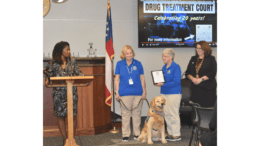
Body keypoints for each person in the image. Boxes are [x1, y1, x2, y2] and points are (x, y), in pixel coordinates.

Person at [44, 41, 85, 145]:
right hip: (59, 94)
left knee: (73, 115)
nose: (69, 51)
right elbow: (47, 74)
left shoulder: (72, 61)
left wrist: (83, 76)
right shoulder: (53, 63)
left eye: (69, 49)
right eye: (67, 49)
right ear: (60, 51)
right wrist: (47, 80)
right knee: (60, 116)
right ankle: (65, 138)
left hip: (72, 93)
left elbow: (78, 73)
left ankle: (72, 138)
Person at [115, 45, 147, 142]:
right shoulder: (119, 64)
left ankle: (137, 134)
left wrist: (144, 91)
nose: (129, 55)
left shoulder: (138, 64)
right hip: (124, 93)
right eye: (127, 53)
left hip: (138, 93)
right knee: (125, 115)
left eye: (131, 53)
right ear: (124, 54)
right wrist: (117, 92)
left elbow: (142, 78)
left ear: (133, 53)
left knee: (137, 114)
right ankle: (125, 135)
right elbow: (117, 79)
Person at [155, 48, 182, 141]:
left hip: (174, 93)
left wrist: (163, 84)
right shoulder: (164, 67)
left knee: (173, 113)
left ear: (171, 57)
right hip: (164, 93)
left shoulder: (176, 67)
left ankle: (176, 134)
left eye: (165, 56)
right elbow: (162, 80)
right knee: (166, 113)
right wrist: (158, 82)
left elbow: (176, 82)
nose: (163, 58)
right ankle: (170, 133)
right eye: (163, 56)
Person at [185, 41, 217, 107]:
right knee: (196, 110)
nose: (198, 50)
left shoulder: (211, 59)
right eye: (197, 48)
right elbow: (187, 72)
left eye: (200, 48)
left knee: (207, 111)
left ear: (205, 49)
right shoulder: (193, 59)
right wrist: (193, 78)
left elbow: (213, 72)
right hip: (195, 89)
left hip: (208, 89)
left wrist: (201, 79)